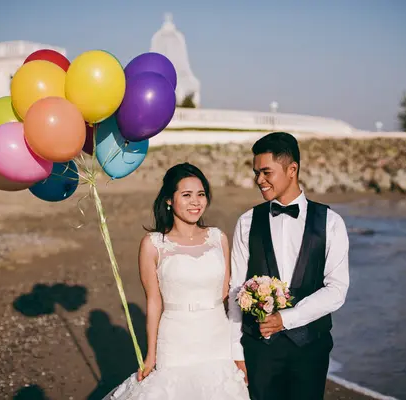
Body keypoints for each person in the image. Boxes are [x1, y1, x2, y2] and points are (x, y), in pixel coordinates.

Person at [103, 162, 250, 400]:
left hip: (216, 338)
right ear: (169, 200)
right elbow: (153, 302)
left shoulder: (218, 238)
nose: (196, 202)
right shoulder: (153, 244)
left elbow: (227, 296)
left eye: (201, 194)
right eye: (187, 195)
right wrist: (151, 355)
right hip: (175, 340)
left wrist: (238, 350)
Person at [229, 132, 350, 400]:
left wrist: (286, 319)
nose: (259, 180)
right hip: (259, 349)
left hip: (311, 348)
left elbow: (337, 289)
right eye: (256, 172)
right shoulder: (247, 222)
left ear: (292, 169)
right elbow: (234, 289)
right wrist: (236, 353)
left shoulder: (331, 222)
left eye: (266, 172)